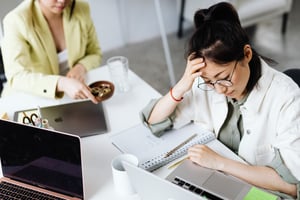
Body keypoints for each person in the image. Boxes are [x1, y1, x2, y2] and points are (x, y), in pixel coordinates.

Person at [140, 2, 300, 199]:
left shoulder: (287, 98)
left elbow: (292, 185)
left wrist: (219, 162)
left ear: (247, 54)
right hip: (219, 181)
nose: (219, 89)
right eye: (209, 81)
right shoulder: (207, 84)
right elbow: (153, 121)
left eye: (224, 77)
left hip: (259, 192)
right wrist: (183, 84)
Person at [1, 0, 101, 104]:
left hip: (70, 95)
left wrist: (81, 67)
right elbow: (17, 76)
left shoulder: (81, 7)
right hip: (28, 98)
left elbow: (94, 52)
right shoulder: (16, 20)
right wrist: (61, 83)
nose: (62, 1)